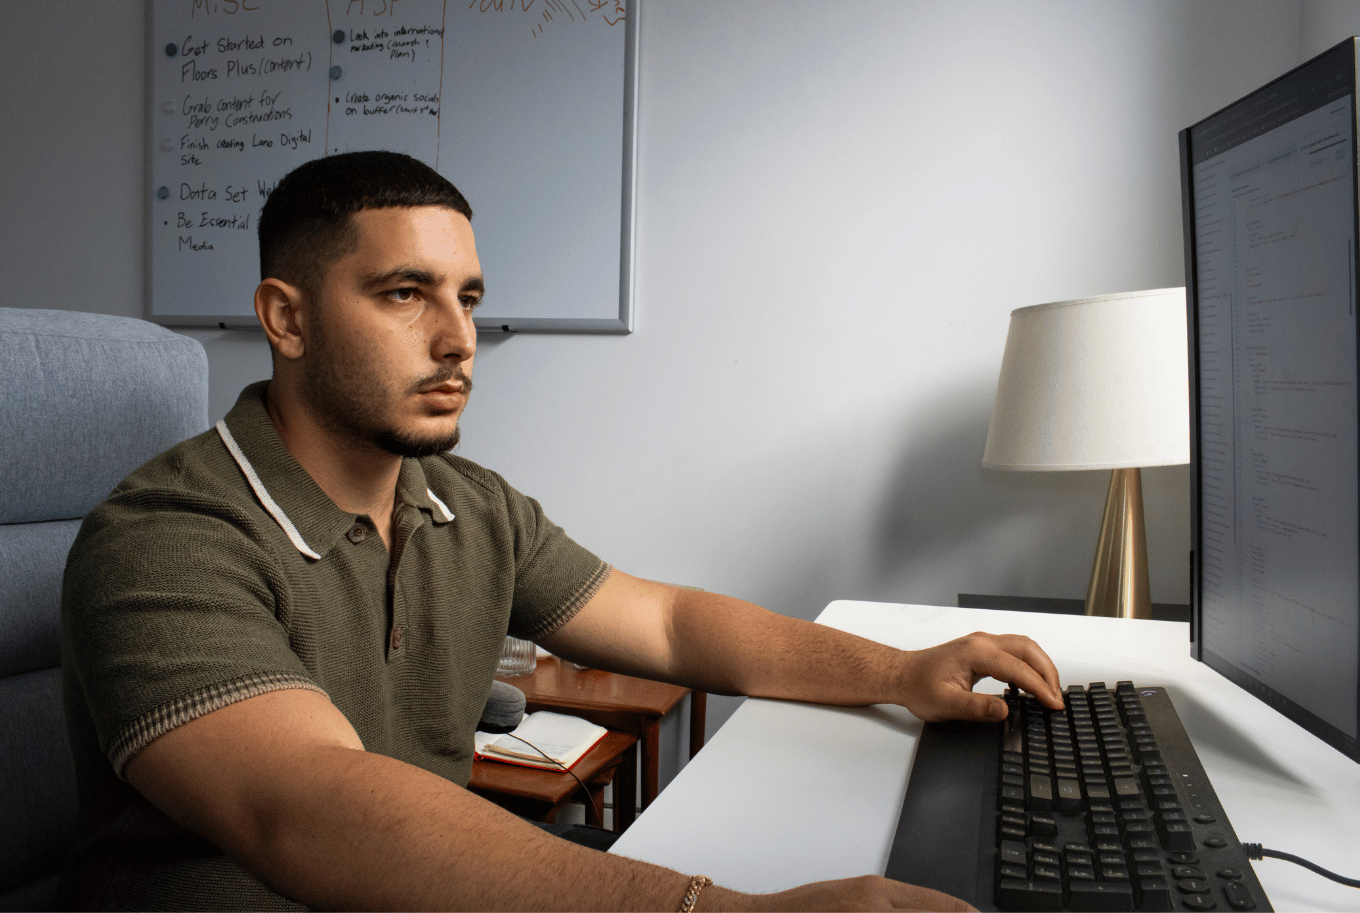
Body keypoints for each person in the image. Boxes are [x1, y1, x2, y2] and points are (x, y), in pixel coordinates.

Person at [60, 150, 1063, 912]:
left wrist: (899, 671)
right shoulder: (164, 538)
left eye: (467, 298)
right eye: (404, 293)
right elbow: (307, 805)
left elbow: (665, 623)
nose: (457, 338)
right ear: (286, 319)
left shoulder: (465, 503)